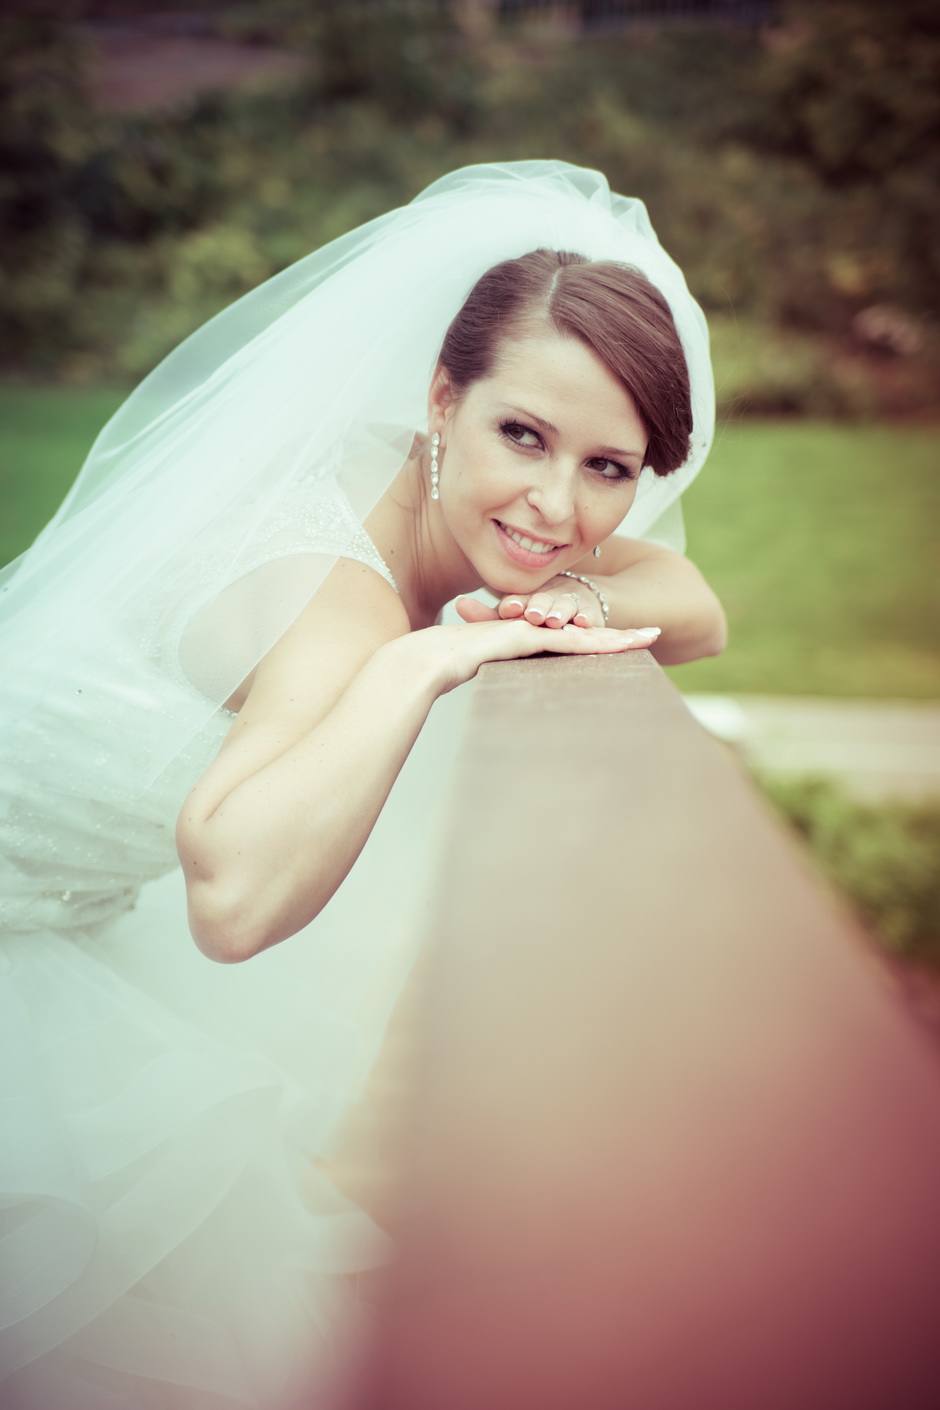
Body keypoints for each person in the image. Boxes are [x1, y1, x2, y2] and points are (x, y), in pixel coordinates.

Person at [0, 161, 724, 1408]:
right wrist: (430, 658)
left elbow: (697, 606)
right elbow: (229, 898)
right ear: (443, 398)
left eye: (609, 468)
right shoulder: (333, 593)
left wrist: (554, 596)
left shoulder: (410, 485)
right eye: (523, 435)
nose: (555, 505)